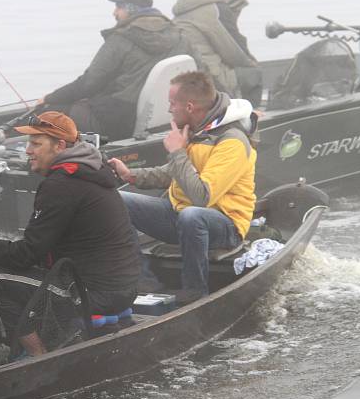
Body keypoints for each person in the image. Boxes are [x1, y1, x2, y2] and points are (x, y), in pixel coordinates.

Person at [0, 112, 140, 356]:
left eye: (36, 144)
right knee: (13, 268)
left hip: (94, 293)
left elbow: (27, 253)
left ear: (60, 145)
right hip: (121, 288)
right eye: (29, 143)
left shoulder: (62, 184)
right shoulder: (92, 169)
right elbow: (39, 246)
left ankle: (32, 356)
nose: (28, 151)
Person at [108, 71, 257, 304]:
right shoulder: (198, 132)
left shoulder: (232, 141)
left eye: (172, 103)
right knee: (113, 200)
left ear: (189, 106)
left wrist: (177, 151)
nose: (169, 110)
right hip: (180, 216)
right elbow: (174, 173)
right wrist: (130, 175)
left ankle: (195, 292)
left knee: (192, 215)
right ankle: (142, 281)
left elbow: (202, 197)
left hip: (225, 225)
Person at [42, 0, 197, 140]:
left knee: (45, 116)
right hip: (165, 117)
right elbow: (200, 74)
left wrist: (50, 98)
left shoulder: (121, 39)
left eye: (118, 7)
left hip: (118, 120)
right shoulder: (182, 37)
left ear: (130, 9)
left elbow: (88, 83)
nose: (114, 12)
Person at [172, 0, 257, 99]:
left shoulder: (185, 6)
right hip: (211, 77)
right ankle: (251, 115)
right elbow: (234, 52)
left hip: (186, 74)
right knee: (252, 74)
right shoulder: (217, 9)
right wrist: (252, 63)